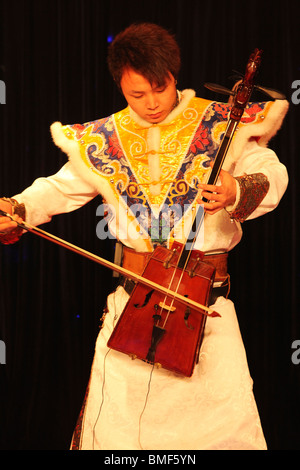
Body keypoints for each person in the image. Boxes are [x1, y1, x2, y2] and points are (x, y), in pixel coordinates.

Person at [0, 23, 288, 450]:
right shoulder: (104, 136)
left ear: (175, 75)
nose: (151, 103)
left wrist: (237, 188)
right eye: (137, 94)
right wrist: (18, 208)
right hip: (133, 306)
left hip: (204, 306)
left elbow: (272, 171)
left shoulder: (220, 121)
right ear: (120, 85)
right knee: (120, 436)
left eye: (160, 89)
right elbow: (59, 188)